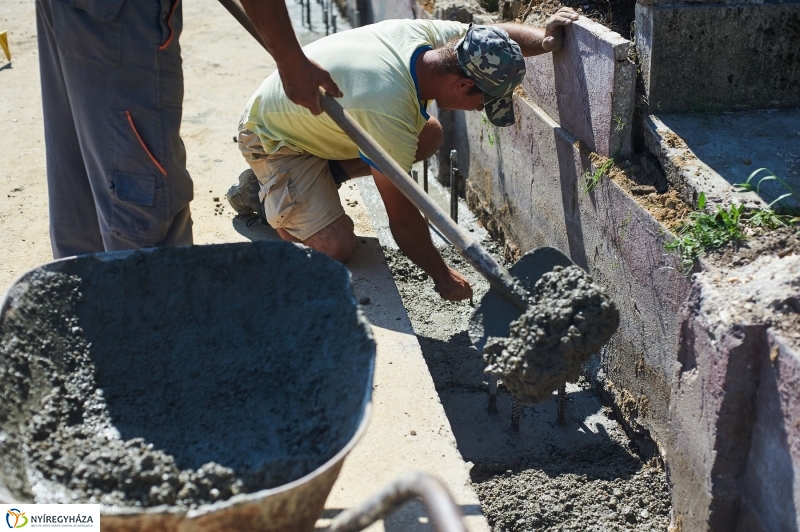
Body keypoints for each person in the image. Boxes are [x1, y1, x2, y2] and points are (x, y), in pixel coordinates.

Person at [227, 8, 579, 301]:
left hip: (310, 121)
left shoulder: (438, 42)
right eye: (483, 102)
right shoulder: (387, 108)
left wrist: (544, 40)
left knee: (428, 135)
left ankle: (318, 180)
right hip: (272, 138)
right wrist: (442, 275)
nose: (478, 110)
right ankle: (263, 195)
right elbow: (404, 219)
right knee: (335, 245)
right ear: (463, 85)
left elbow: (496, 35)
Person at [35, 0, 338, 259]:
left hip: (77, 11)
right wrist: (290, 59)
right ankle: (152, 306)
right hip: (121, 17)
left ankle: (88, 301)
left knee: (80, 169)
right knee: (140, 201)